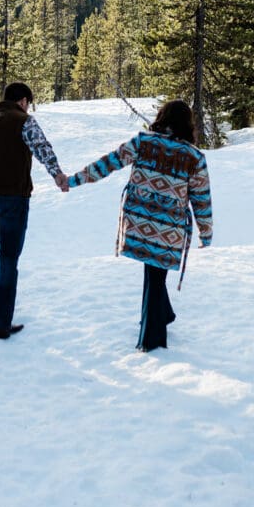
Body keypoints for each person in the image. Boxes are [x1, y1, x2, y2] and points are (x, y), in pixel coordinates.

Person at [66, 100, 212, 352]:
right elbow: (201, 198)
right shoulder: (194, 157)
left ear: (162, 117)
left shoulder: (143, 142)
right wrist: (206, 232)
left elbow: (108, 163)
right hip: (169, 228)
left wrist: (74, 180)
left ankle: (158, 326)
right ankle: (153, 336)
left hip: (140, 222)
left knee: (154, 275)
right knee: (156, 275)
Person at [0, 81, 69, 339]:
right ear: (22, 101)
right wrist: (57, 174)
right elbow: (42, 148)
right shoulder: (24, 121)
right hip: (14, 198)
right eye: (28, 103)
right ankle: (2, 323)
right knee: (8, 256)